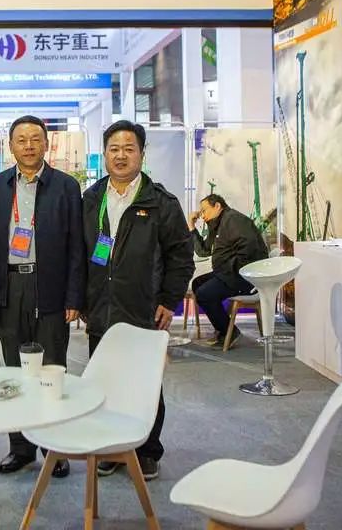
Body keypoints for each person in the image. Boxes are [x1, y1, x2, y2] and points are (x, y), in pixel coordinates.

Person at [81, 120, 194, 481]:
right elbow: (79, 255)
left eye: (129, 149)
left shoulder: (161, 203)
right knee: (104, 381)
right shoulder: (91, 199)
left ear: (142, 154)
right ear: (104, 154)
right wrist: (82, 300)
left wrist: (169, 300)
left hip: (144, 308)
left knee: (144, 384)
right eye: (114, 148)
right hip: (102, 308)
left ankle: (147, 450)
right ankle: (111, 447)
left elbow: (181, 257)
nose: (121, 155)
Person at [0, 115, 84, 479]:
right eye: (21, 140)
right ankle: (21, 448)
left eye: (34, 139)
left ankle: (54, 447)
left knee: (51, 370)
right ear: (10, 146)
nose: (28, 146)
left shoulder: (65, 187)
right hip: (12, 287)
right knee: (16, 370)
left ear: (46, 143)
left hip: (51, 287)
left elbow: (77, 246)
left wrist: (73, 296)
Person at [189, 194, 270, 349]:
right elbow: (203, 250)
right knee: (197, 284)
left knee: (204, 294)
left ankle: (229, 332)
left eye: (204, 210)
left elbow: (250, 251)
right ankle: (224, 327)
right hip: (229, 272)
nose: (202, 215)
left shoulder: (234, 220)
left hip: (245, 276)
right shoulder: (217, 224)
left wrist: (228, 269)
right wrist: (192, 227)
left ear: (217, 206)